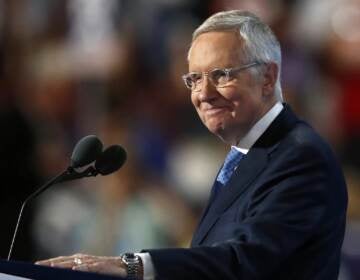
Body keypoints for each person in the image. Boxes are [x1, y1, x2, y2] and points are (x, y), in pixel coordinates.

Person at [36, 10, 348, 280]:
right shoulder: (245, 155)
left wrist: (133, 266)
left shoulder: (300, 157)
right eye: (194, 80)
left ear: (268, 76)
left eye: (221, 75)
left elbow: (244, 261)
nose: (203, 93)